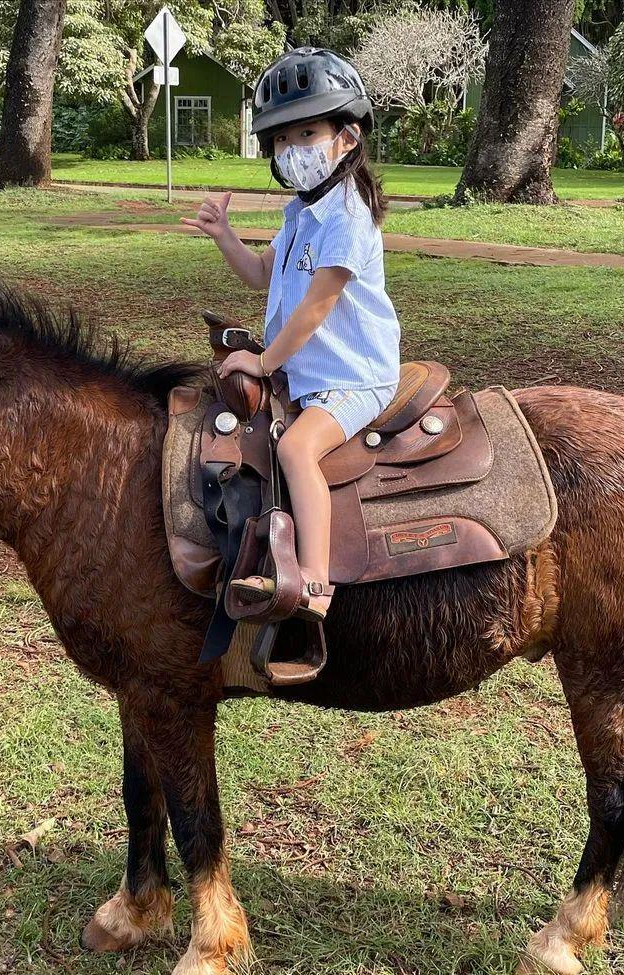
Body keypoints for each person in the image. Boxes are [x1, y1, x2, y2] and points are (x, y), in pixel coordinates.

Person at [182, 47, 400, 622]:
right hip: (308, 371)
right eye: (280, 140)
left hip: (352, 376)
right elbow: (261, 273)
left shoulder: (347, 219)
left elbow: (316, 309)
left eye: (306, 133)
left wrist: (262, 361)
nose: (291, 151)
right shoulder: (301, 214)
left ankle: (314, 584)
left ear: (347, 137)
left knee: (297, 447)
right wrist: (223, 235)